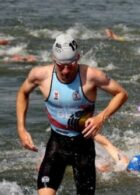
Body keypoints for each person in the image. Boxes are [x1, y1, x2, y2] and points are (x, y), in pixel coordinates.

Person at [16, 33, 128, 195]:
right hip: (56, 146)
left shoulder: (91, 76)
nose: (66, 70)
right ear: (53, 59)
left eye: (71, 64)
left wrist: (100, 118)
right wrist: (21, 128)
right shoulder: (40, 75)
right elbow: (22, 93)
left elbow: (121, 94)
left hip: (83, 148)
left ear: (78, 58)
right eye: (61, 65)